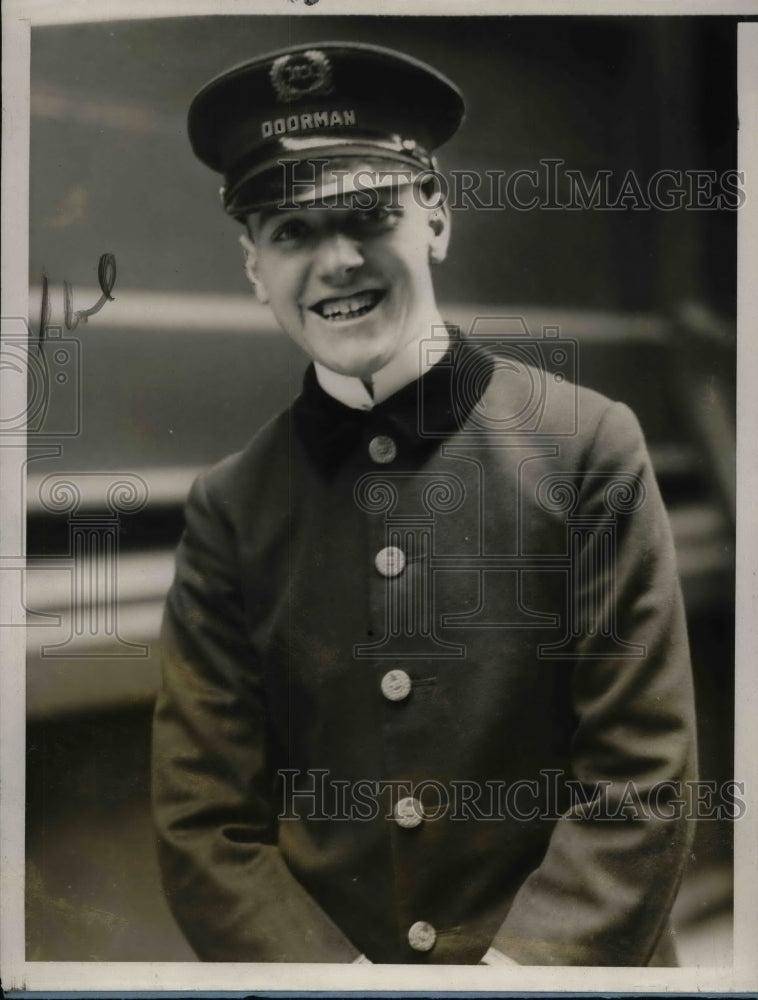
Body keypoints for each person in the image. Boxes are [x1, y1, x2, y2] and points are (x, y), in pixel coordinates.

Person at [151, 41, 698, 966]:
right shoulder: (229, 510)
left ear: (434, 217)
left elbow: (642, 775)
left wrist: (522, 974)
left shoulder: (587, 447)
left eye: (368, 215)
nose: (336, 263)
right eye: (289, 232)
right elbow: (205, 822)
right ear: (253, 266)